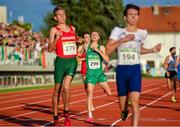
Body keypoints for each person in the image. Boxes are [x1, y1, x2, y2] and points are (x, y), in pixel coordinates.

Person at [106, 4, 161, 126]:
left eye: (136, 15)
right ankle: (124, 111)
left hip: (135, 69)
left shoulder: (142, 33)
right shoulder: (118, 31)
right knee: (123, 105)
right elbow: (108, 50)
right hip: (122, 70)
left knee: (135, 102)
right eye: (130, 14)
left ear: (138, 17)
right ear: (125, 17)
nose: (133, 17)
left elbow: (139, 50)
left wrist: (152, 50)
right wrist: (122, 40)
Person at [48, 7, 79, 126]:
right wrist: (57, 39)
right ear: (55, 18)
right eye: (59, 15)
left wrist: (78, 41)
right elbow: (50, 49)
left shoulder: (72, 28)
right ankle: (56, 118)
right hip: (60, 62)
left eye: (63, 14)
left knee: (66, 87)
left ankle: (66, 113)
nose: (62, 16)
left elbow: (73, 42)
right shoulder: (54, 30)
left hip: (72, 62)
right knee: (57, 91)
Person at [86, 31, 112, 122]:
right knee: (89, 93)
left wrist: (97, 50)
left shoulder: (101, 47)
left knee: (109, 93)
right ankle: (90, 115)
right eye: (92, 35)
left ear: (99, 37)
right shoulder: (87, 46)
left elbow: (107, 59)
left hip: (100, 74)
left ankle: (103, 87)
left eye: (95, 35)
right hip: (90, 75)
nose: (93, 36)